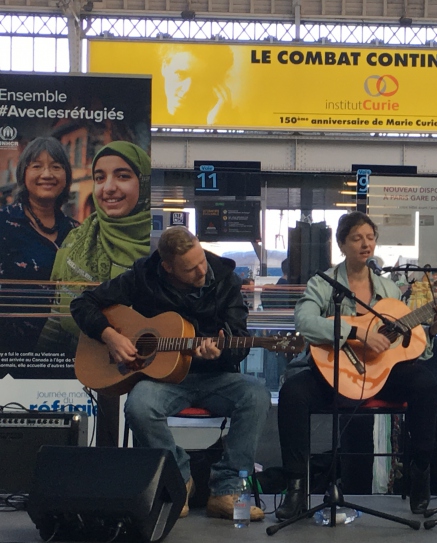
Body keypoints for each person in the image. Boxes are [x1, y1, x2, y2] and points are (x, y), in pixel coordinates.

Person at [69, 226, 271, 521]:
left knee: (256, 395)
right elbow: (82, 303)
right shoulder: (144, 275)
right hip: (162, 380)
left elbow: (238, 338)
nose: (202, 270)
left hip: (215, 377)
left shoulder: (226, 279)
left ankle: (225, 491)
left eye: (202, 259)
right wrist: (110, 335)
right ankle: (178, 481)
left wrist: (222, 350)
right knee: (139, 406)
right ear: (167, 267)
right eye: (190, 268)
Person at [275, 211, 437, 520]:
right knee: (293, 393)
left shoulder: (389, 291)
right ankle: (296, 487)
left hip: (377, 375)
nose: (365, 244)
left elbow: (407, 348)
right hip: (333, 372)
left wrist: (433, 328)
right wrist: (357, 333)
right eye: (357, 238)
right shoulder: (324, 282)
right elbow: (304, 321)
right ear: (342, 244)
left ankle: (421, 472)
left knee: (425, 383)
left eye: (370, 238)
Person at [36, 141, 152, 353]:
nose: (108, 188)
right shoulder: (77, 240)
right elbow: (57, 318)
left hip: (147, 371)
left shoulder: (165, 249)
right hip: (76, 368)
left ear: (144, 183)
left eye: (123, 176)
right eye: (99, 178)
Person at [0, 137, 78, 352]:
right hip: (10, 353)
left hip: (64, 352)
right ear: (23, 174)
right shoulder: (4, 223)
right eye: (37, 166)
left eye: (56, 167)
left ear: (66, 176)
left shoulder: (78, 232)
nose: (47, 174)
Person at [158, 44, 235, 126]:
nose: (187, 89)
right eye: (180, 74)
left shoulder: (224, 119)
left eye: (200, 80)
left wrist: (214, 124)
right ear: (164, 67)